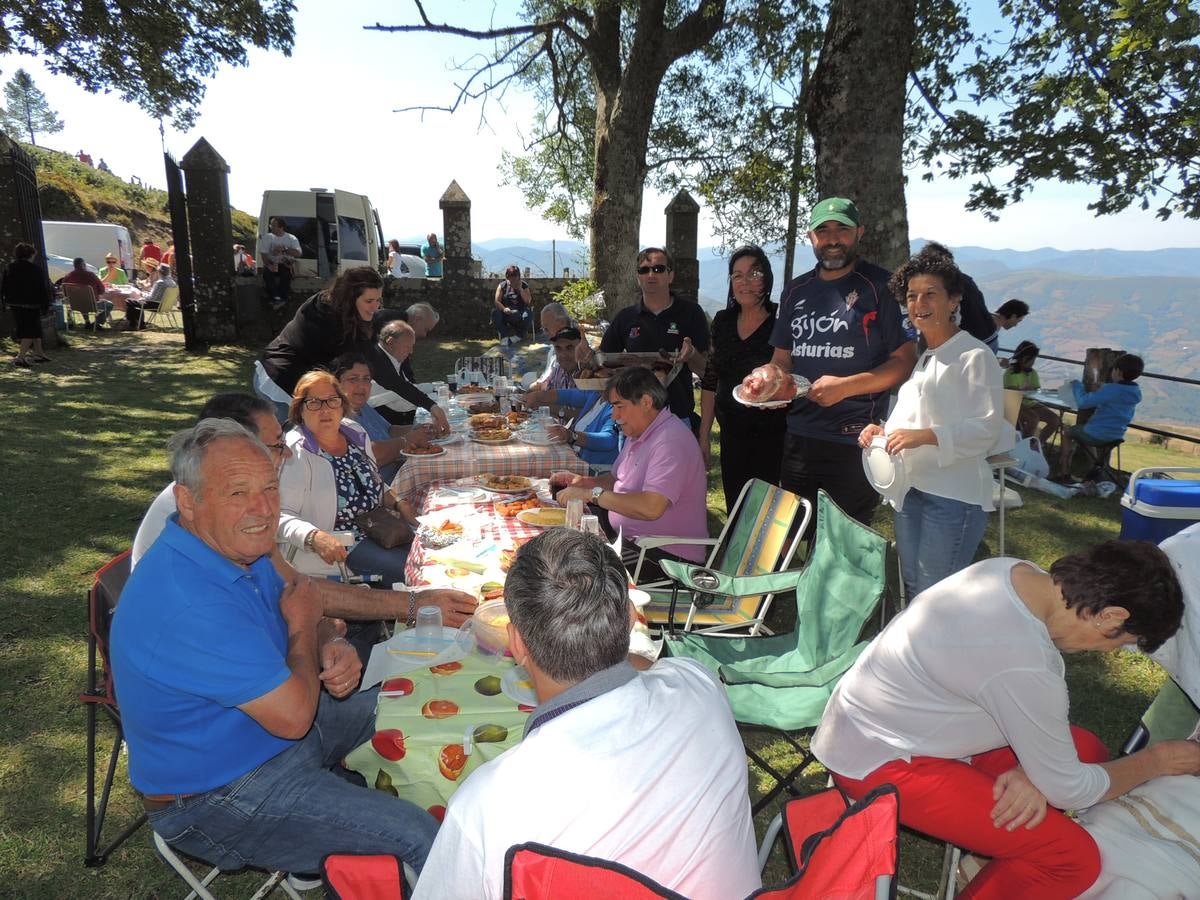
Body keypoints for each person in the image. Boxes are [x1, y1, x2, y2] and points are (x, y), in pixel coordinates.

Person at [111, 419, 439, 879]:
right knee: (420, 835)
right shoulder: (187, 600)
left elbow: (298, 600)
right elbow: (293, 715)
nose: (262, 509)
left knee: (419, 708)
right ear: (187, 501)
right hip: (214, 795)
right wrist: (307, 628)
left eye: (269, 487)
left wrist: (331, 638)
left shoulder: (236, 547)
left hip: (270, 735)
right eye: (237, 493)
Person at [812, 540, 1196, 900]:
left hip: (895, 725)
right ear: (1110, 616)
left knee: (1087, 750)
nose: (1111, 651)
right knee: (1073, 860)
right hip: (879, 761)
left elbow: (1036, 734)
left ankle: (985, 862)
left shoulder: (1012, 572)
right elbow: (1072, 791)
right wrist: (1156, 761)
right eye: (1121, 641)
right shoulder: (1024, 664)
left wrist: (1036, 776)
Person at [412, 530, 760, 900]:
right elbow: (650, 665)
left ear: (516, 643)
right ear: (630, 618)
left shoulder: (487, 804)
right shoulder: (699, 683)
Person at [130, 392, 477, 626]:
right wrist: (412, 604)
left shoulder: (237, 496)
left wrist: (325, 639)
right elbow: (292, 717)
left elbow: (291, 584)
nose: (288, 454)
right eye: (277, 446)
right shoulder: (214, 508)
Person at [749, 197, 916, 527]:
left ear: (860, 233)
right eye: (823, 230)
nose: (833, 239)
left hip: (856, 440)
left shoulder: (881, 287)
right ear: (811, 237)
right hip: (799, 437)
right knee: (798, 535)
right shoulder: (796, 291)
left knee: (844, 542)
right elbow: (782, 358)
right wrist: (770, 379)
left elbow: (905, 360)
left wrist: (846, 387)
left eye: (843, 229)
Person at [857, 252, 1007, 599]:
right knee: (914, 586)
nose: (919, 303)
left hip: (953, 498)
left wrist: (923, 436)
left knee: (934, 595)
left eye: (930, 294)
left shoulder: (974, 355)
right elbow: (912, 418)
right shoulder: (928, 354)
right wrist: (882, 432)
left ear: (954, 299)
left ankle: (940, 653)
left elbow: (986, 431)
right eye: (912, 295)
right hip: (912, 489)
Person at [556, 367, 708, 564]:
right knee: (560, 538)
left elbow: (651, 507)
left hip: (663, 556)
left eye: (620, 407)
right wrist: (584, 482)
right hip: (631, 542)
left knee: (570, 562)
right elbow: (616, 480)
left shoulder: (670, 441)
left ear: (646, 402)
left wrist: (592, 494)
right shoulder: (641, 432)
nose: (614, 416)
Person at [698, 245, 787, 511]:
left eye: (753, 274)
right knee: (736, 509)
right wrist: (704, 435)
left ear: (767, 279)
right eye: (737, 275)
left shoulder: (780, 321)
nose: (745, 282)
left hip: (773, 437)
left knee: (767, 515)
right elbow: (711, 379)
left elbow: (787, 375)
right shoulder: (723, 321)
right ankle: (736, 554)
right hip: (731, 435)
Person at [590, 247, 710, 428]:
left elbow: (706, 372)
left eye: (658, 269)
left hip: (676, 418)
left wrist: (692, 354)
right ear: (638, 278)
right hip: (633, 419)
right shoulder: (626, 317)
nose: (651, 274)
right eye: (644, 270)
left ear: (671, 275)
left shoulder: (691, 313)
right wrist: (588, 358)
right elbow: (603, 364)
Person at [255, 266, 383, 421]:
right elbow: (355, 365)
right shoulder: (328, 321)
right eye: (369, 301)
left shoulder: (333, 305)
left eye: (378, 300)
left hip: (284, 375)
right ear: (349, 299)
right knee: (287, 439)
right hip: (280, 384)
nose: (375, 307)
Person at [522, 328, 619, 468]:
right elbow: (567, 395)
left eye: (592, 370)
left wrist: (571, 436)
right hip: (574, 458)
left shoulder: (616, 404)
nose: (585, 373)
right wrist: (535, 396)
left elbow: (608, 440)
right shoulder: (596, 393)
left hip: (593, 469)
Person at [332, 351, 430, 485]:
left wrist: (422, 429)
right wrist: (407, 441)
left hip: (401, 475)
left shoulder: (363, 406)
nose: (361, 386)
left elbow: (389, 430)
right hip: (382, 493)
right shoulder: (335, 417)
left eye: (366, 379)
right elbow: (371, 456)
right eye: (353, 379)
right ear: (337, 384)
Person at [1058, 353, 1143, 477]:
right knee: (1085, 432)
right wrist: (1104, 387)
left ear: (1118, 371)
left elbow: (1084, 403)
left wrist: (1077, 385)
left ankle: (1064, 471)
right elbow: (1118, 391)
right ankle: (1093, 468)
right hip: (1116, 435)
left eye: (1113, 369)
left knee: (1068, 431)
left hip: (1097, 433)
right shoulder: (1134, 391)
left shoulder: (1112, 390)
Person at [367, 318, 450, 433]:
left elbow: (408, 386)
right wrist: (432, 406)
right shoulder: (376, 359)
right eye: (407, 347)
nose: (411, 351)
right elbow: (400, 387)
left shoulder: (393, 357)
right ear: (390, 342)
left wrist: (432, 392)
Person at [916, 241, 997, 350]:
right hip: (988, 338)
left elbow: (946, 320)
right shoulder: (965, 279)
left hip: (972, 345)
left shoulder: (946, 285)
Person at [2, 242, 52, 367]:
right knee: (30, 330)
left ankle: (39, 353)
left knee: (33, 329)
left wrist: (5, 300)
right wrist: (46, 304)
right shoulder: (35, 270)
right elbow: (41, 289)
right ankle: (20, 357)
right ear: (30, 255)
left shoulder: (10, 267)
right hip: (31, 304)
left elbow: (4, 286)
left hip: (14, 303)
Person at [1004, 340, 1061, 444]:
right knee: (1033, 419)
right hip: (1015, 404)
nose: (1033, 363)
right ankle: (1024, 446)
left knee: (1055, 420)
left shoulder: (1032, 373)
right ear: (1024, 358)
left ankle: (1037, 444)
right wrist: (1026, 391)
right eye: (1031, 360)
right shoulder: (1010, 372)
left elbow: (1036, 390)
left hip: (1030, 403)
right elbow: (1011, 393)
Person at [259, 216, 302, 309]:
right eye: (271, 225)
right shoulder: (267, 237)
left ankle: (281, 299)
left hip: (285, 263)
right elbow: (263, 254)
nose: (271, 227)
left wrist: (285, 249)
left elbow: (298, 253)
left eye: (273, 225)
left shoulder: (291, 238)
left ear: (281, 227)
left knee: (286, 276)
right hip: (271, 262)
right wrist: (268, 264)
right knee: (267, 275)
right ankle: (277, 298)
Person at [62, 256, 114, 329]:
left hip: (74, 304)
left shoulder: (68, 276)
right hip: (92, 305)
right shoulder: (91, 275)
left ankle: (87, 322)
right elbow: (102, 290)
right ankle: (97, 323)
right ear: (84, 265)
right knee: (109, 305)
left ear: (74, 266)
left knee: (82, 300)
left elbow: (64, 293)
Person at [532, 301, 575, 386]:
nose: (545, 333)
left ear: (562, 323)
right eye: (543, 329)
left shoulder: (577, 350)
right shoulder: (553, 350)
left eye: (546, 328)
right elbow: (545, 381)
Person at [491, 265, 532, 345]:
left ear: (518, 277)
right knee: (495, 313)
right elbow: (497, 301)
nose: (512, 281)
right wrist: (504, 309)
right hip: (506, 312)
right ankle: (505, 338)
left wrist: (520, 289)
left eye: (515, 278)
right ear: (507, 277)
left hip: (520, 312)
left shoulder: (524, 285)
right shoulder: (502, 285)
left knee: (529, 314)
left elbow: (528, 301)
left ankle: (518, 336)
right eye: (510, 278)